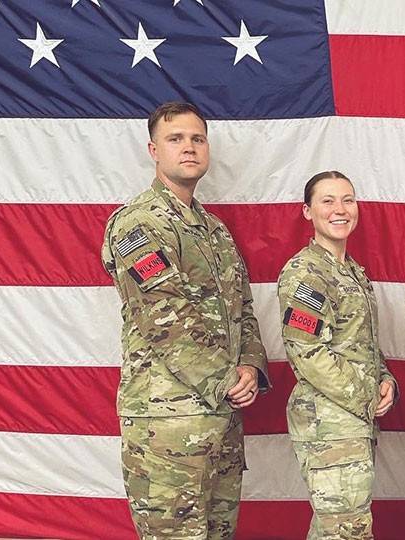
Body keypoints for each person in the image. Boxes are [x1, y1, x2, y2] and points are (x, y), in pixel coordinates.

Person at [101, 101, 270, 539]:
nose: (189, 148)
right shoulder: (139, 223)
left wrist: (250, 366)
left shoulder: (215, 231)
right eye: (176, 139)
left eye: (197, 138)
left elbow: (243, 311)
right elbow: (163, 316)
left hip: (221, 419)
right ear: (154, 150)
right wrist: (226, 379)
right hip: (168, 425)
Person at [278, 170, 398, 539]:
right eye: (327, 201)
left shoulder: (350, 271)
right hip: (328, 423)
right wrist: (367, 393)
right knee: (346, 530)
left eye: (347, 199)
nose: (340, 209)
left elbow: (362, 344)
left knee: (338, 528)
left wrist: (385, 379)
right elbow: (307, 351)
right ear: (307, 211)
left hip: (349, 421)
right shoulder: (306, 273)